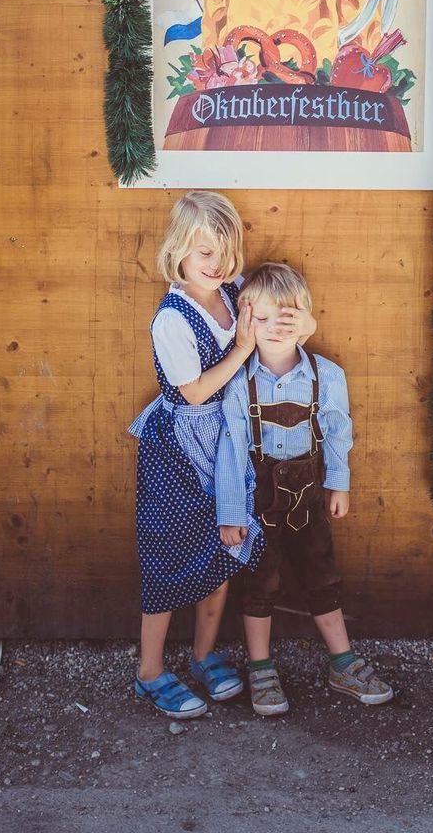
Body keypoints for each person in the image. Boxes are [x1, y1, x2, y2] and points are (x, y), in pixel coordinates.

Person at [128, 192, 315, 720]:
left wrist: (296, 330)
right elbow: (191, 392)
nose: (218, 264)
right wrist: (241, 351)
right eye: (204, 252)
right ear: (179, 251)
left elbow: (283, 323)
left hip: (230, 444)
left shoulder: (234, 293)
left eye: (227, 251)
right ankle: (150, 671)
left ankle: (206, 654)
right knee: (167, 559)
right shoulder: (172, 318)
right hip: (179, 452)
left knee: (223, 549)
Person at [215, 262, 394, 716]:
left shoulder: (326, 376)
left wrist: (339, 482)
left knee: (322, 576)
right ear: (243, 320)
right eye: (262, 317)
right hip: (257, 505)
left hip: (310, 499)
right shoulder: (237, 381)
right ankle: (260, 668)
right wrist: (231, 511)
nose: (275, 328)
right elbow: (232, 450)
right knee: (260, 581)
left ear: (305, 321)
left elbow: (338, 432)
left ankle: (343, 663)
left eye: (288, 317)